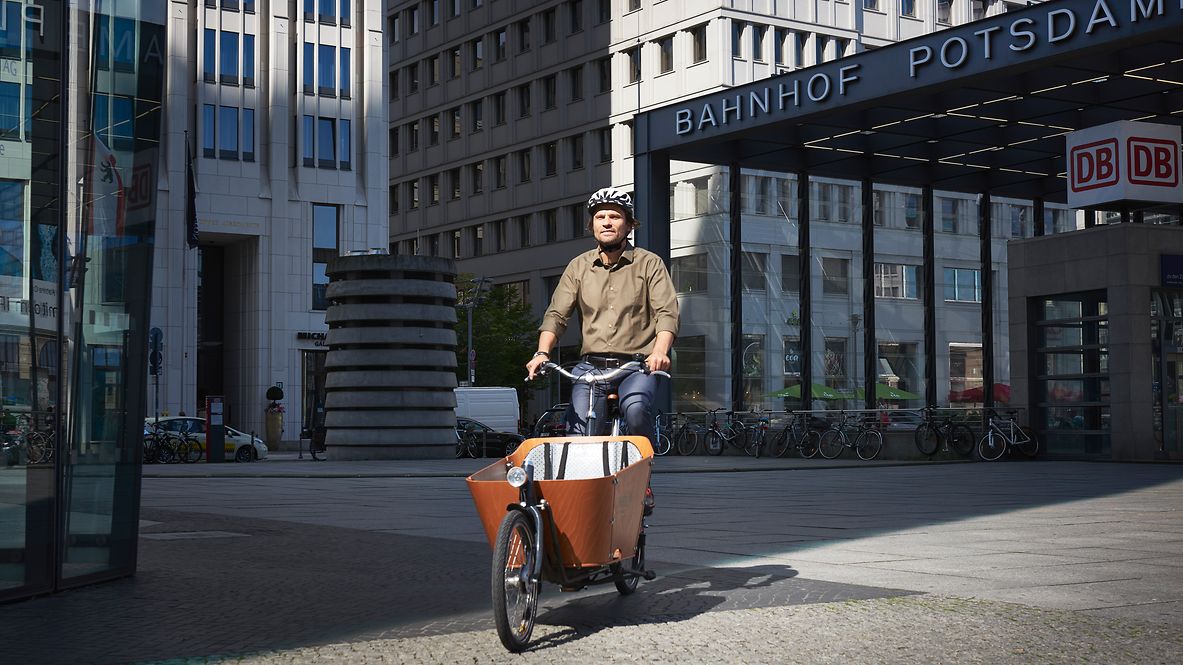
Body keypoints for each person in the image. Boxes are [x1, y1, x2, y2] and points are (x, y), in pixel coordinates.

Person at [525, 186, 680, 455]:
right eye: (600, 217)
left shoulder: (649, 263)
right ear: (592, 225)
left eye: (615, 216)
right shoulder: (579, 266)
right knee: (579, 433)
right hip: (590, 369)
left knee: (635, 409)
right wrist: (542, 352)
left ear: (630, 225)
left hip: (638, 366)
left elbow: (666, 312)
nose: (607, 222)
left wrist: (659, 352)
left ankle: (644, 465)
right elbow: (557, 314)